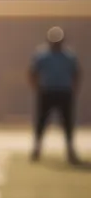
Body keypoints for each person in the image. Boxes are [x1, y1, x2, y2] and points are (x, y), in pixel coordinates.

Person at [29, 26, 81, 164]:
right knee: (41, 121)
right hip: (47, 91)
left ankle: (70, 150)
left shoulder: (69, 56)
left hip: (64, 92)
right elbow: (33, 72)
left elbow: (76, 73)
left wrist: (74, 89)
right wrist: (37, 88)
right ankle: (37, 149)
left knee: (67, 122)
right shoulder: (42, 54)